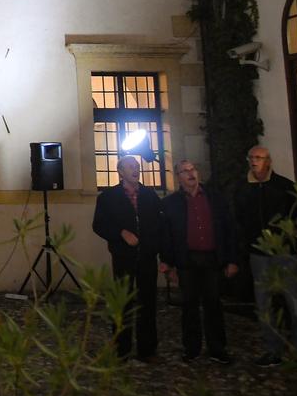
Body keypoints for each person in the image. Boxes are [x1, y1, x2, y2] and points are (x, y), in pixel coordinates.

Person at [159, 160, 239, 364]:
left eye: (192, 169)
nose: (190, 174)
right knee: (189, 305)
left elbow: (229, 230)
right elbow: (166, 235)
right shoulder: (170, 203)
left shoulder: (215, 198)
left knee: (213, 303)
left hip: (212, 258)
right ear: (178, 177)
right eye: (184, 171)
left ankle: (218, 348)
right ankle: (191, 348)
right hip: (187, 260)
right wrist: (168, 263)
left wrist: (232, 259)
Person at [236, 145, 297, 367]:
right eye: (251, 157)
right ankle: (272, 349)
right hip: (258, 253)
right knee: (264, 304)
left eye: (259, 157)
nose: (254, 161)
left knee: (295, 302)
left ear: (268, 161)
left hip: (283, 252)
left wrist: (290, 240)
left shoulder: (284, 186)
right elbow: (238, 217)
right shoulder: (242, 189)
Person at [90, 155, 164, 363]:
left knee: (147, 302)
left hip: (147, 256)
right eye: (130, 166)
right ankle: (121, 349)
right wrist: (121, 233)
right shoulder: (108, 197)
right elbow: (99, 225)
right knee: (122, 301)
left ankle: (147, 349)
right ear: (120, 171)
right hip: (123, 256)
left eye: (137, 166)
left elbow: (159, 223)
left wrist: (155, 244)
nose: (135, 169)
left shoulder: (150, 195)